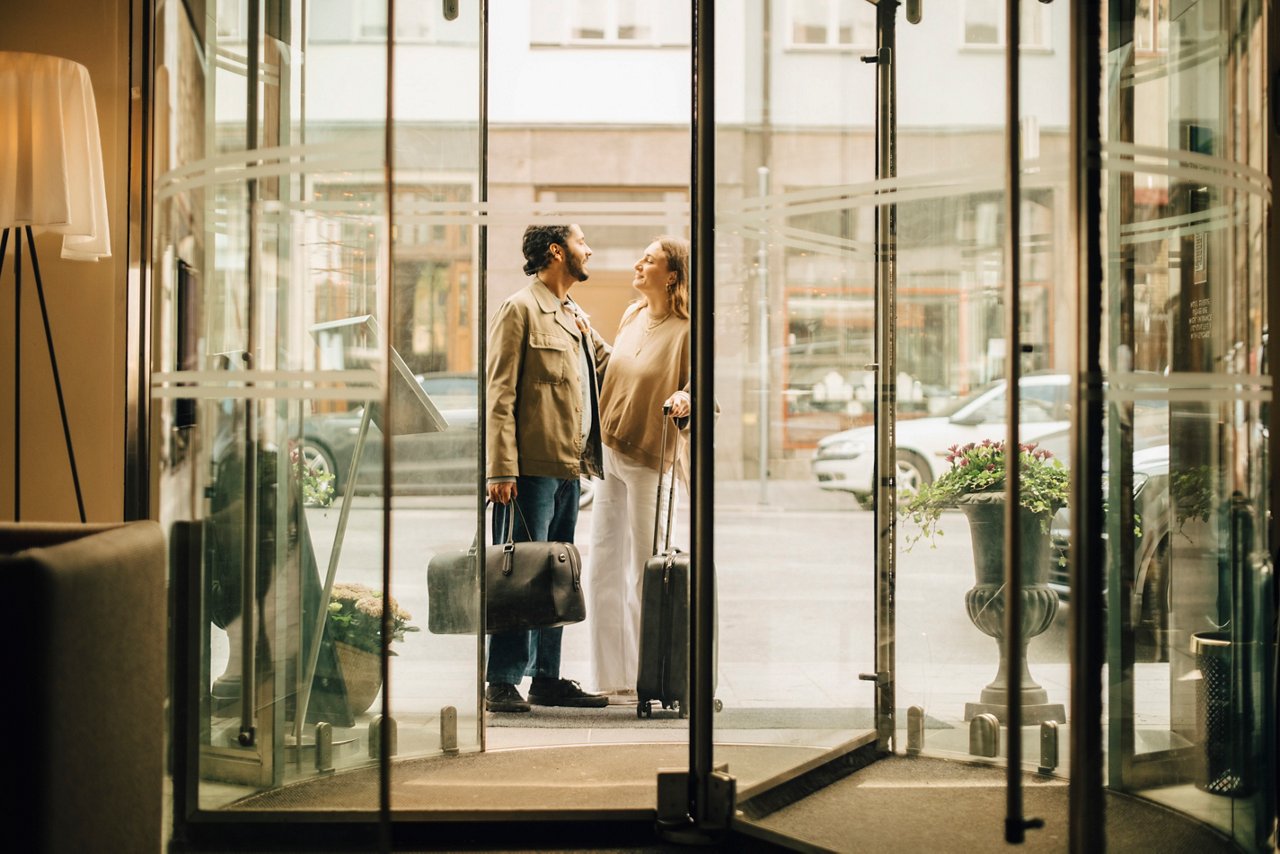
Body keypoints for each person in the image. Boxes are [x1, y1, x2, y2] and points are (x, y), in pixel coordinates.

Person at [484, 223, 612, 713]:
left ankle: (546, 676)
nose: (590, 248)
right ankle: (501, 679)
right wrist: (501, 470)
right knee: (517, 573)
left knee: (556, 577)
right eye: (583, 242)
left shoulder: (570, 313)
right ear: (558, 252)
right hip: (528, 470)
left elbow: (608, 367)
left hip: (567, 467)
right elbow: (499, 394)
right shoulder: (520, 308)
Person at [586, 235, 692, 699]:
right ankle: (612, 678)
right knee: (601, 568)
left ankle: (653, 675)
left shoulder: (687, 331)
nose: (637, 264)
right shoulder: (631, 315)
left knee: (645, 573)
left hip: (651, 458)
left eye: (648, 260)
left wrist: (685, 396)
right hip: (610, 452)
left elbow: (698, 387)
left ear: (672, 276)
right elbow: (616, 369)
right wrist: (586, 334)